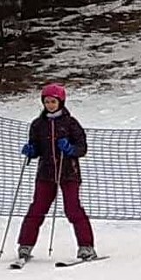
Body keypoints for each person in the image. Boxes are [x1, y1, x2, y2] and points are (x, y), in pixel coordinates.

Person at [14, 83, 96, 263]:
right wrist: (31, 150)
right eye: (47, 102)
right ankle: (25, 245)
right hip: (46, 173)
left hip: (68, 172)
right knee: (37, 208)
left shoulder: (71, 123)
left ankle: (86, 246)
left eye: (53, 101)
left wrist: (71, 149)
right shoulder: (38, 124)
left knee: (73, 209)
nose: (50, 105)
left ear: (61, 102)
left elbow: (82, 148)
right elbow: (36, 147)